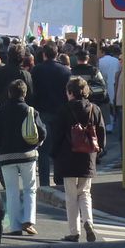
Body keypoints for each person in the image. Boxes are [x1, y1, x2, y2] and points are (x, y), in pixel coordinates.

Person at [49, 76, 106, 242]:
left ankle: (74, 232)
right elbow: (101, 132)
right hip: (87, 157)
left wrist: (54, 154)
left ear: (70, 92)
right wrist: (98, 150)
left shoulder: (64, 110)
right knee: (85, 193)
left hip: (68, 157)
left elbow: (57, 135)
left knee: (71, 196)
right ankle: (88, 222)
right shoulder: (94, 109)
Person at [0, 79, 46, 236]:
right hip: (28, 154)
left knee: (12, 191)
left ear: (9, 93)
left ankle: (14, 225)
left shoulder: (1, 112)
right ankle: (29, 219)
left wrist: (0, 149)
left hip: (6, 156)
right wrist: (36, 144)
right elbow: (42, 132)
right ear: (25, 93)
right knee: (30, 188)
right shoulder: (30, 111)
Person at [31, 43, 72, 187]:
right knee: (60, 147)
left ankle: (44, 182)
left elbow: (33, 92)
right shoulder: (65, 71)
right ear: (57, 53)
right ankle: (60, 179)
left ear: (44, 55)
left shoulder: (36, 70)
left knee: (43, 150)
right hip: (61, 112)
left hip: (42, 112)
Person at [97, 43, 121, 132]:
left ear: (102, 52)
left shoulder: (100, 61)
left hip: (103, 86)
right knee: (112, 105)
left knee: (105, 106)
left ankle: (107, 124)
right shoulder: (116, 61)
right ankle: (111, 124)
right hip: (115, 85)